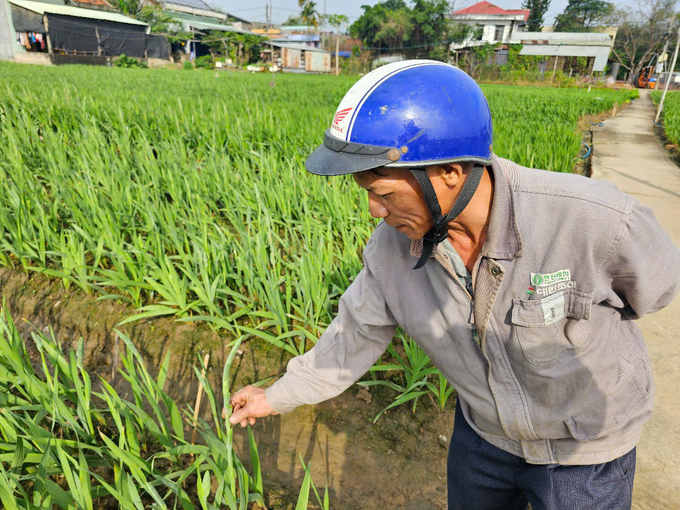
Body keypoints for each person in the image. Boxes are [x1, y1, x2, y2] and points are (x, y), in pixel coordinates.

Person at [226, 60, 680, 509]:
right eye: (365, 192)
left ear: (450, 172)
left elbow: (656, 290)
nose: (373, 211)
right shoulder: (391, 250)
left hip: (585, 453)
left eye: (384, 193)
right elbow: (355, 333)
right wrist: (278, 395)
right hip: (483, 439)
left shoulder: (591, 221)